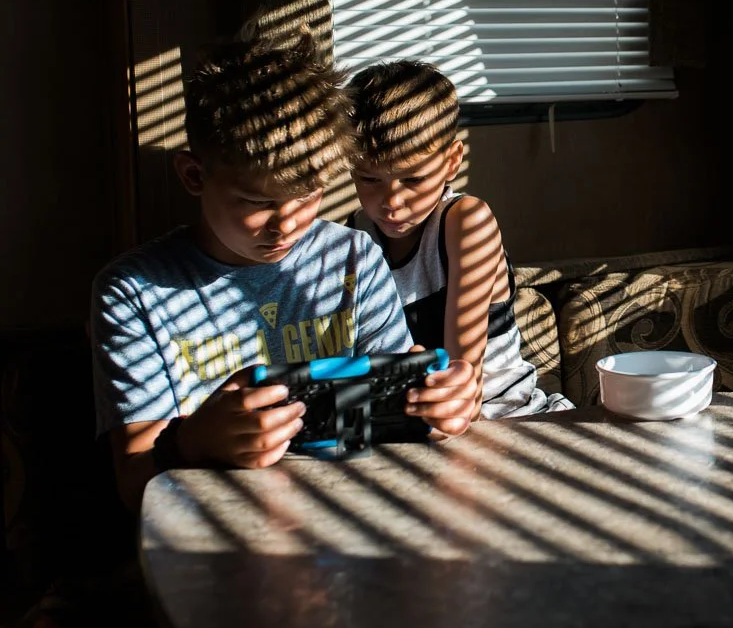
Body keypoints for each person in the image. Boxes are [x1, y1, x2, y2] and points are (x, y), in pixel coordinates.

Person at [90, 31, 479, 512]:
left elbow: (396, 425)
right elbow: (132, 485)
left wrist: (438, 409)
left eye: (308, 195)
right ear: (194, 176)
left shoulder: (354, 258)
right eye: (259, 202)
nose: (288, 224)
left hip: (353, 516)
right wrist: (189, 442)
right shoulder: (134, 291)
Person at [346, 60, 572, 418]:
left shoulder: (465, 223)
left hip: (509, 418)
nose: (391, 203)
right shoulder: (353, 237)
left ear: (452, 162)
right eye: (369, 180)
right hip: (411, 425)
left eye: (413, 179)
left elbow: (461, 381)